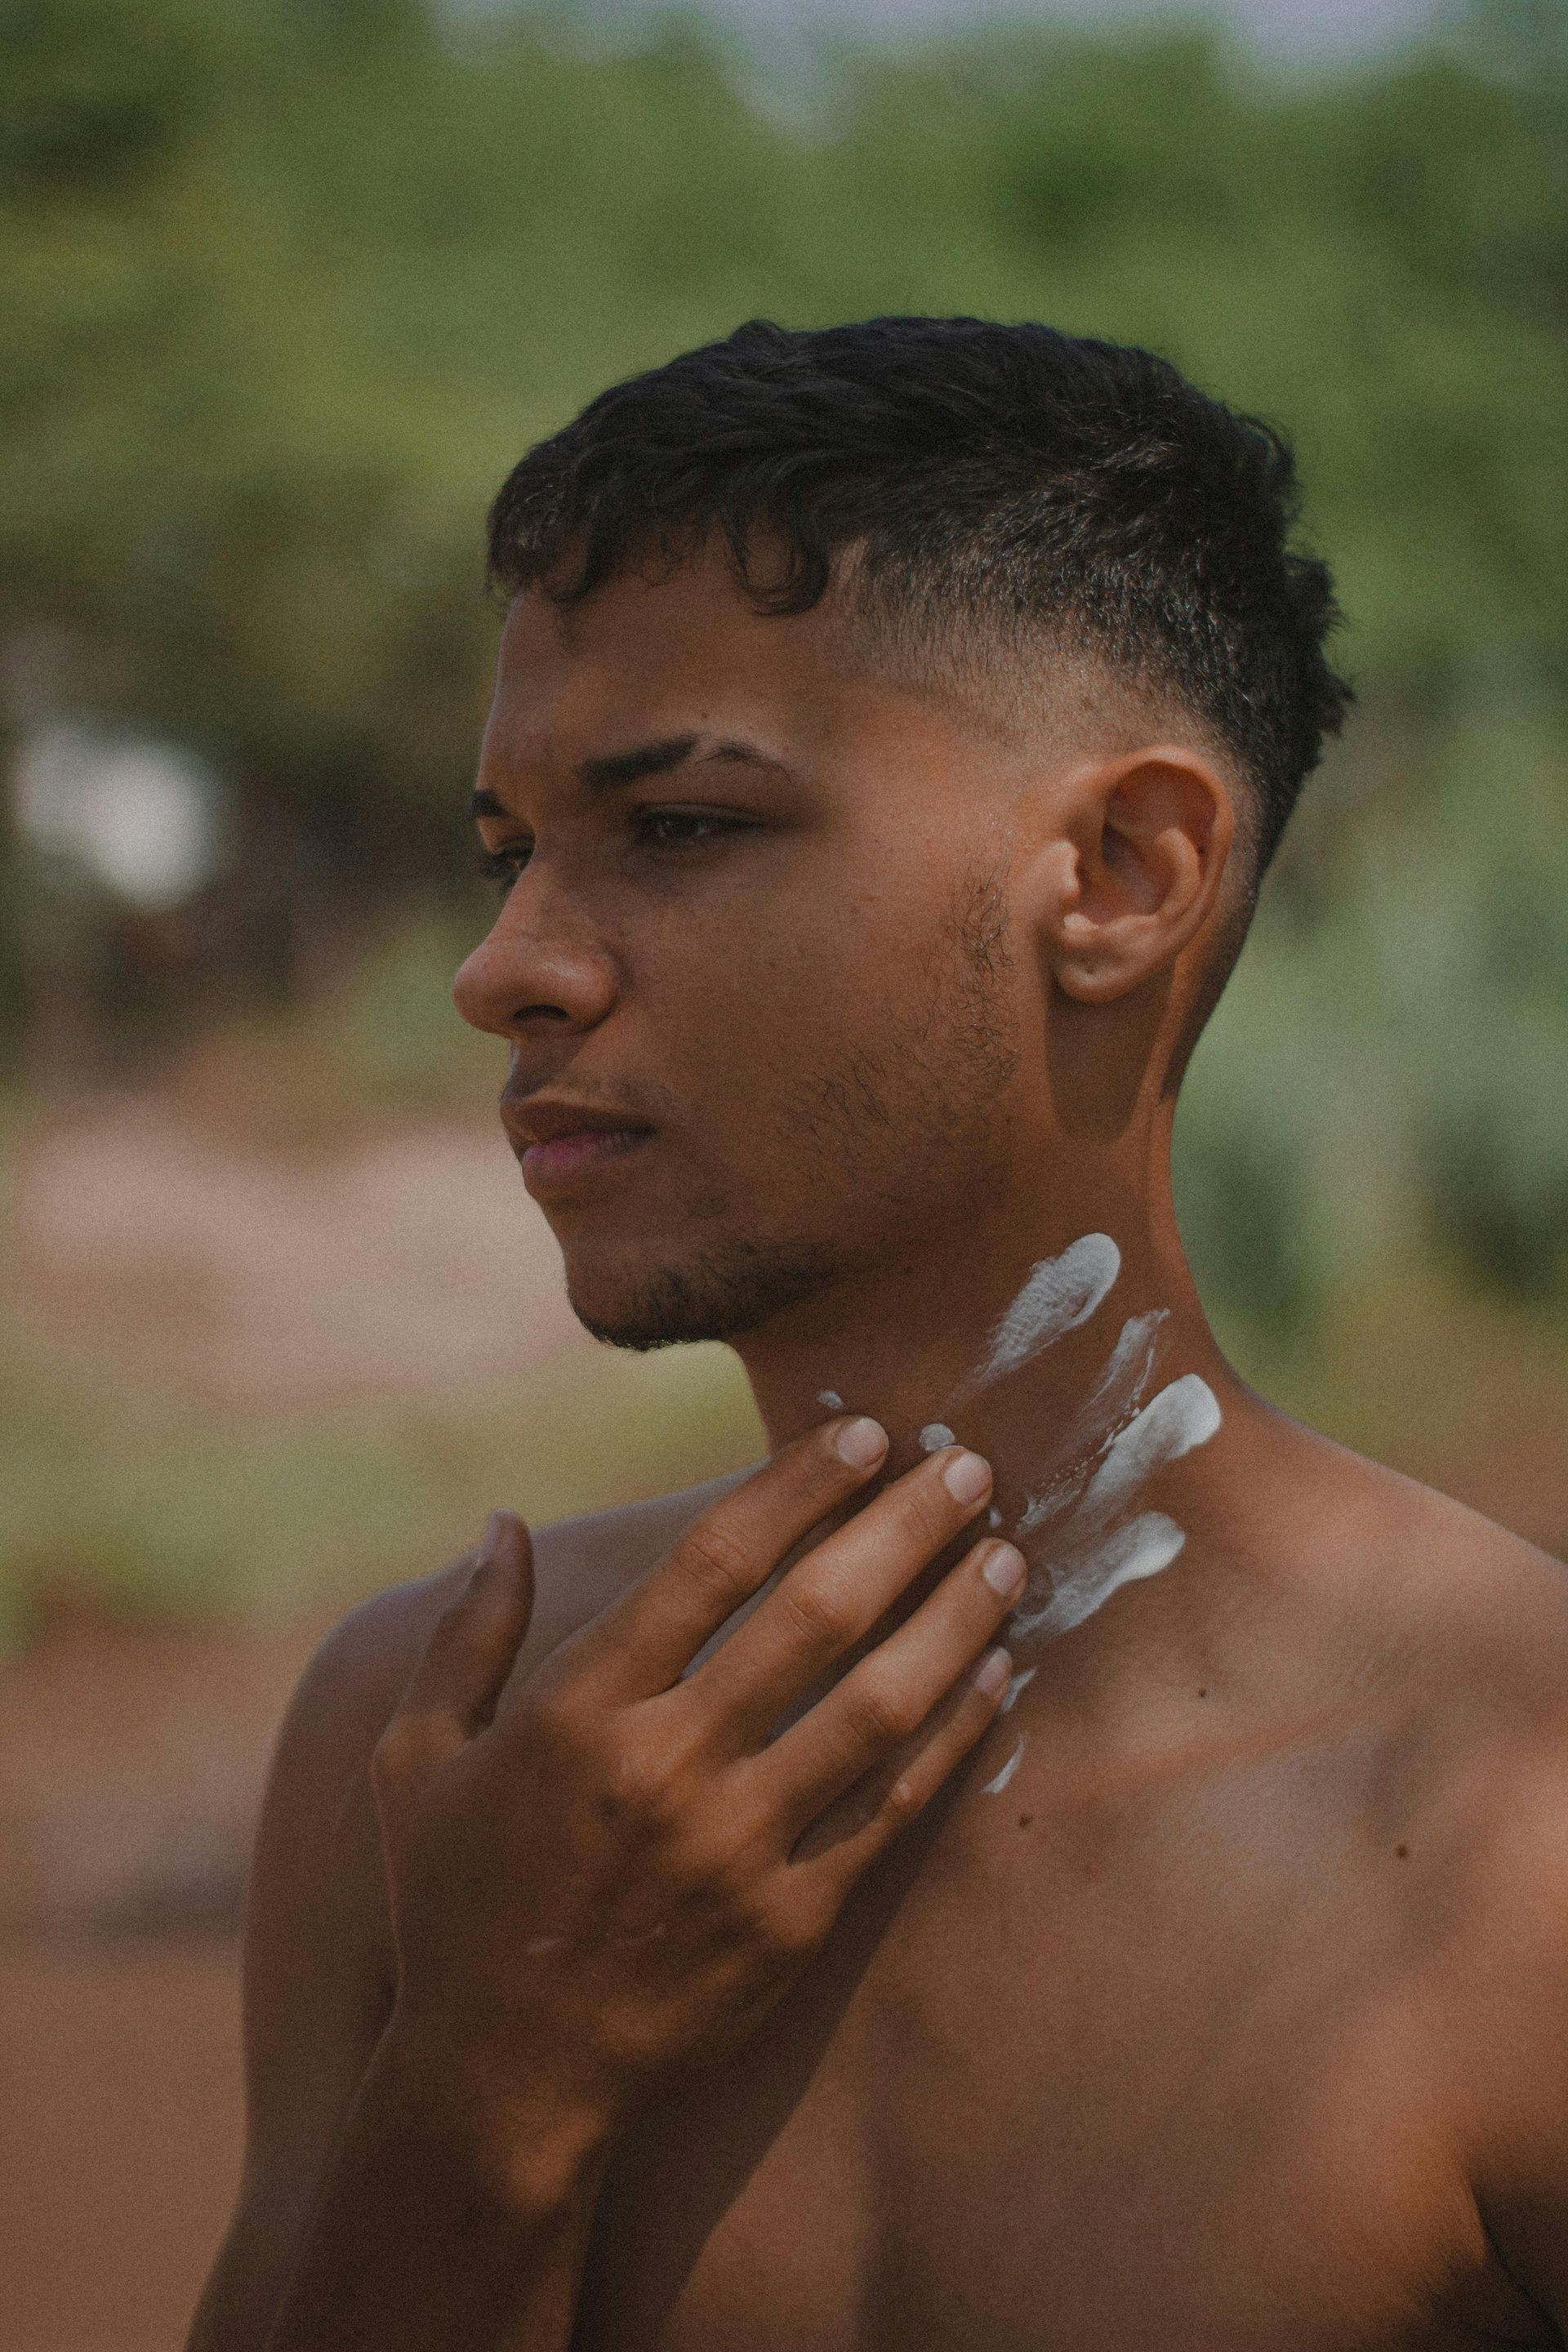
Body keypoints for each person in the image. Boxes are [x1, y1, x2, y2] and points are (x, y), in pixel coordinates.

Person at [187, 318, 1568, 2351]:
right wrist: (489, 2093)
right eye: (508, 855)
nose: (505, 969)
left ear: (1118, 873)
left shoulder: (1516, 1832)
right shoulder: (441, 1762)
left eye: (680, 827)